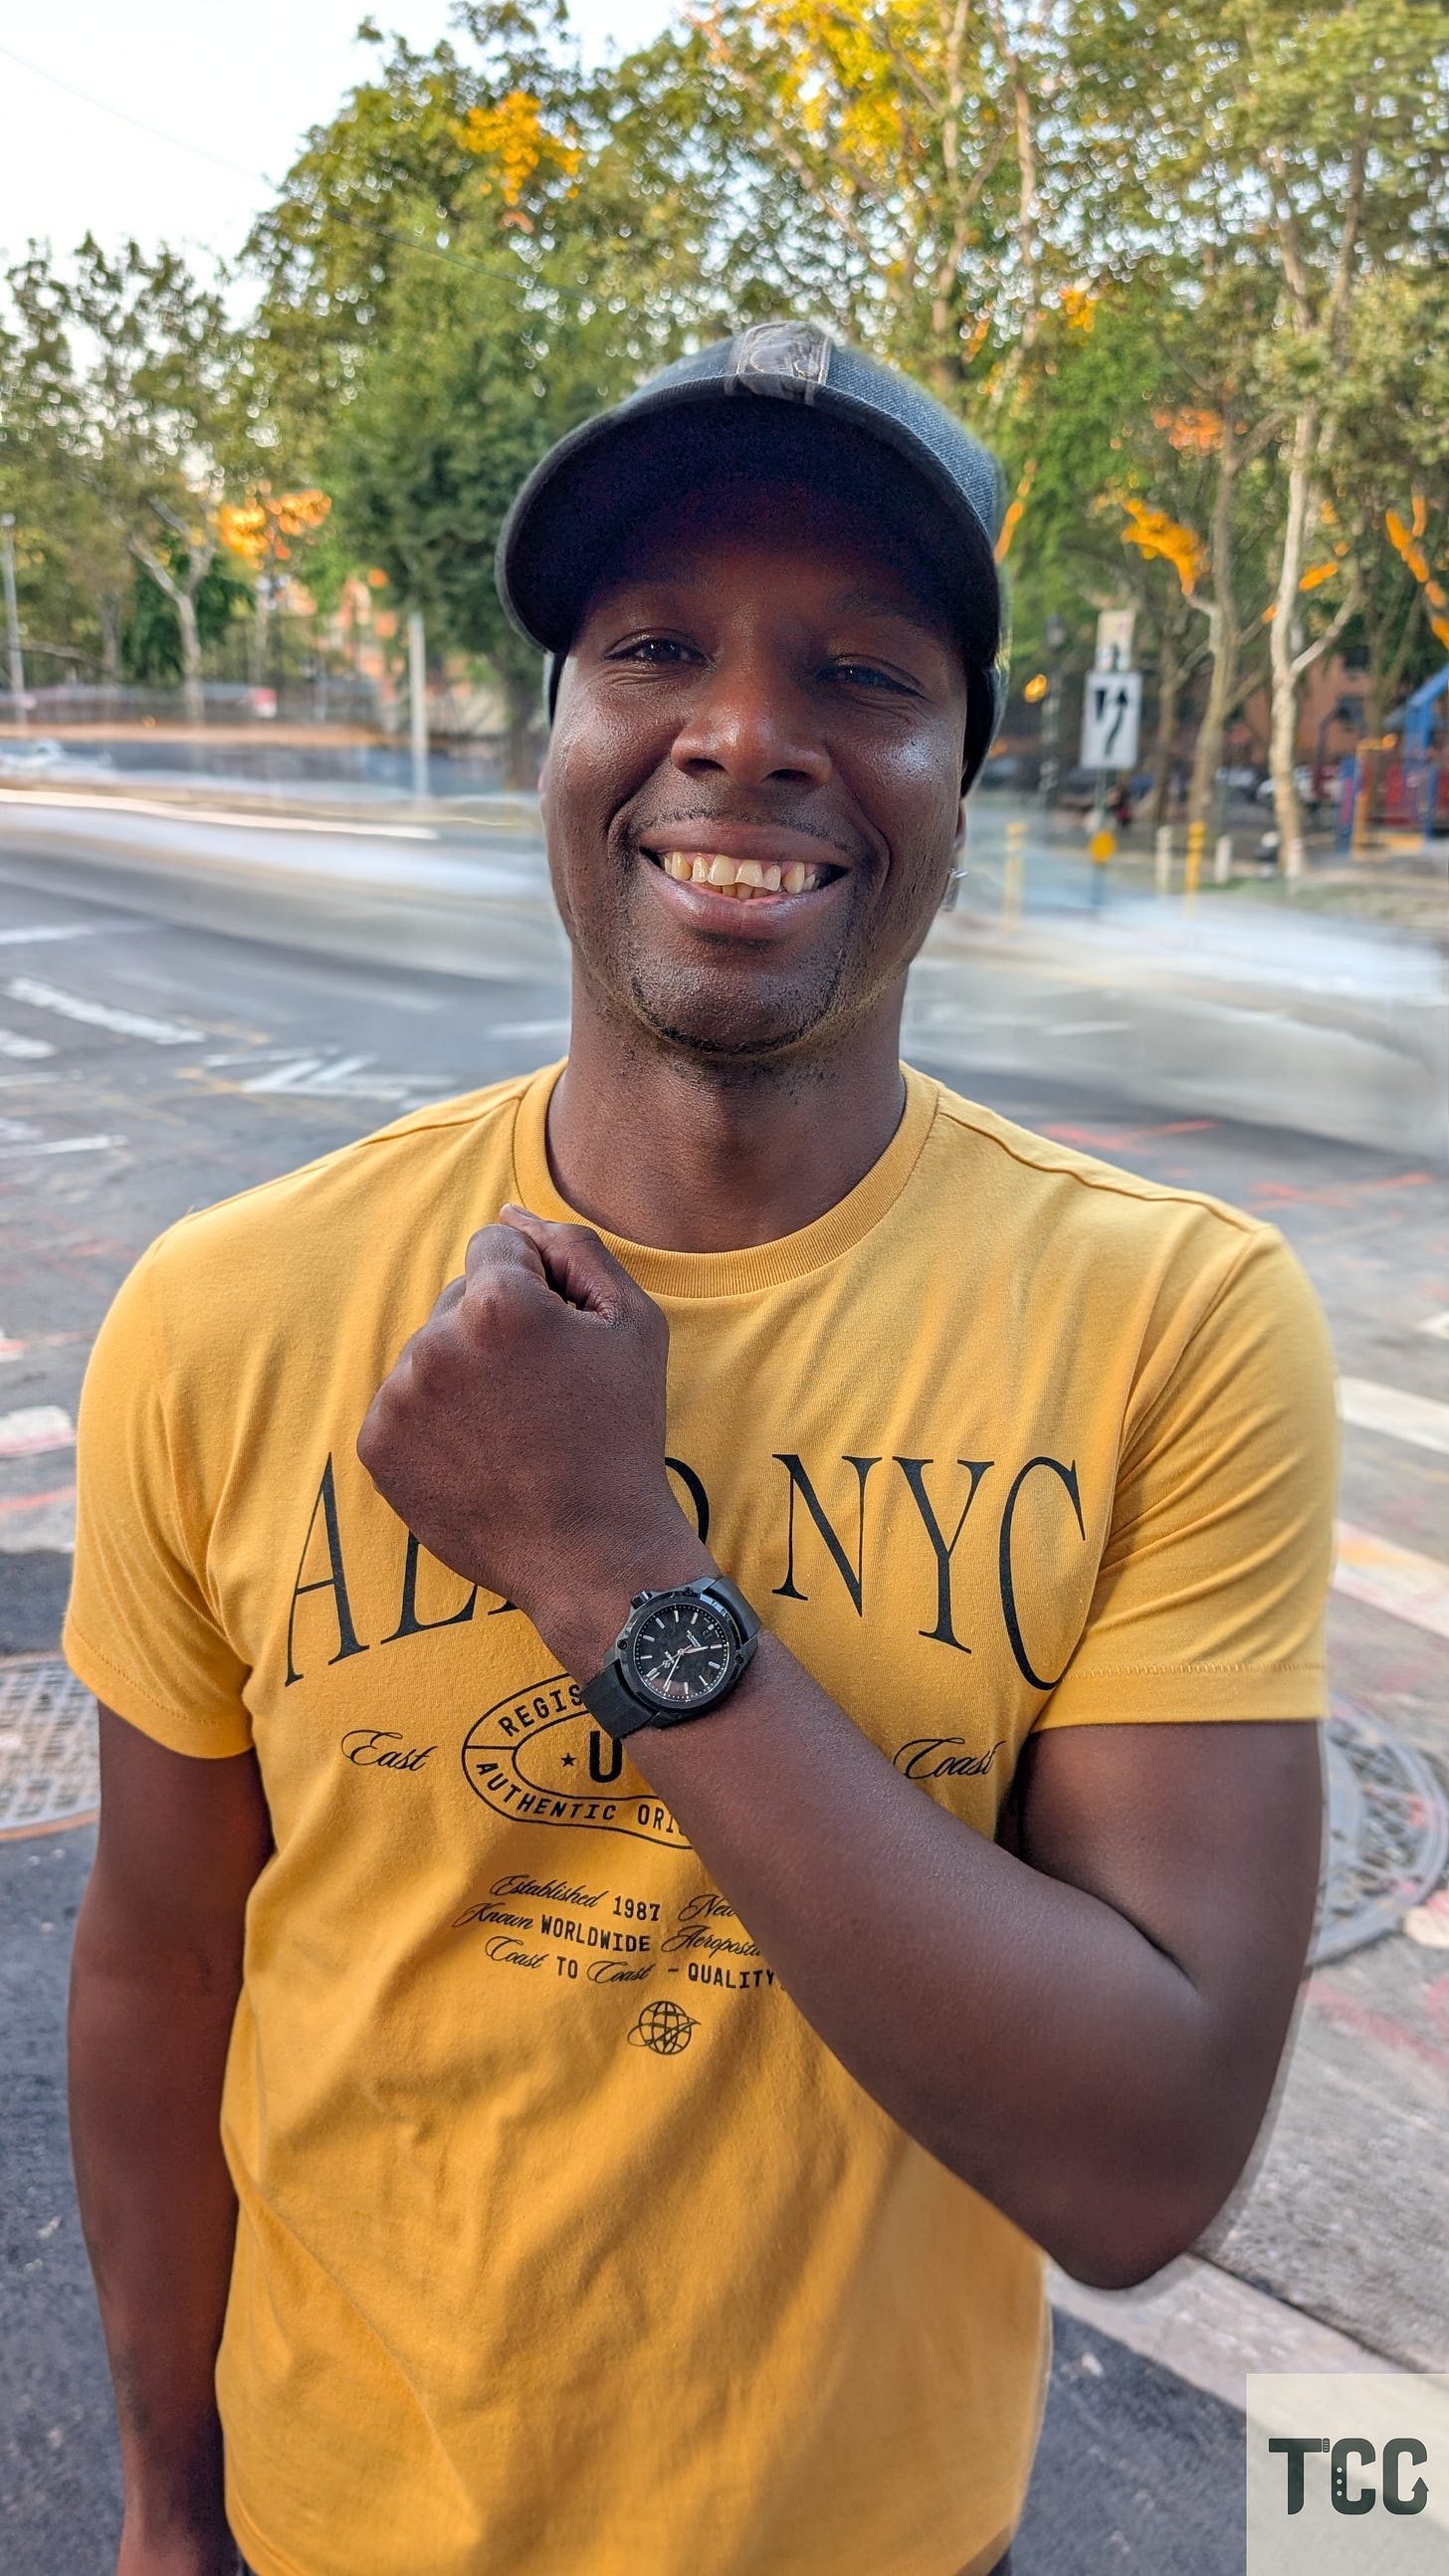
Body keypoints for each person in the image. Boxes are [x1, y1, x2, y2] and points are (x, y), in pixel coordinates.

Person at [66, 322, 1335, 2576]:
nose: (744, 733)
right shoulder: (229, 1309)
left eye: (860, 672)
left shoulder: (1172, 1329)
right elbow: (164, 1965)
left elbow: (1137, 2163)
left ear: (961, 770)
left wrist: (604, 1566)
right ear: (548, 733)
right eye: (655, 647)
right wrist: (168, 2507)